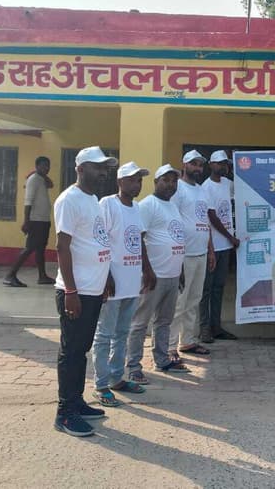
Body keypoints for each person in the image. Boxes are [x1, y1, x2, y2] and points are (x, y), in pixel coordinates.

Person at [53, 146, 117, 437]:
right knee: (71, 351)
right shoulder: (69, 200)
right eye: (97, 167)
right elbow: (62, 246)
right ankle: (65, 413)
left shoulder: (93, 200)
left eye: (105, 167)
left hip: (93, 289)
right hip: (76, 291)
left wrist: (106, 277)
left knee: (82, 349)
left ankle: (77, 402)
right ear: (80, 169)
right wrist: (71, 290)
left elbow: (97, 240)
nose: (103, 172)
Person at [91, 162, 156, 407]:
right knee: (104, 335)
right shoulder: (107, 204)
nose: (137, 184)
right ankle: (101, 385)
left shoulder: (137, 208)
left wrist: (147, 269)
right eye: (132, 180)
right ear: (120, 182)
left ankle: (117, 378)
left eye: (139, 180)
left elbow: (139, 241)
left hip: (131, 282)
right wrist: (105, 274)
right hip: (113, 283)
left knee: (122, 333)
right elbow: (99, 241)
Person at [127, 164, 190, 381]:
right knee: (140, 323)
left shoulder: (172, 206)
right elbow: (138, 239)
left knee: (164, 321)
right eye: (166, 180)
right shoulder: (148, 205)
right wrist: (147, 270)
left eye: (174, 181)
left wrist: (180, 270)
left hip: (172, 275)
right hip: (154, 276)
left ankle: (162, 360)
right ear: (156, 182)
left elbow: (177, 238)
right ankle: (133, 366)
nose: (171, 185)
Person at [170, 150, 216, 357]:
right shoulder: (177, 188)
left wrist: (211, 250)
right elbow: (171, 221)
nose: (197, 168)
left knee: (194, 300)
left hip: (200, 253)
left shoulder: (202, 190)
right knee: (179, 302)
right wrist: (176, 254)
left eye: (200, 164)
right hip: (184, 254)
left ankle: (187, 341)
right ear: (184, 164)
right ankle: (170, 347)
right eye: (193, 164)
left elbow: (205, 221)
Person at [200, 150, 239, 343]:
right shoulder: (206, 188)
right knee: (206, 289)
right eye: (219, 163)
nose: (223, 166)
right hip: (212, 246)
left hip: (225, 246)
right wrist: (230, 237)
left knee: (219, 287)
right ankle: (204, 328)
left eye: (225, 163)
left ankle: (216, 326)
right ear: (211, 165)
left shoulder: (227, 184)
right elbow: (212, 217)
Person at [4, 156, 55, 287]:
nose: (46, 168)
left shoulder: (41, 179)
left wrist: (43, 174)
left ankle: (42, 276)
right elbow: (28, 201)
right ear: (37, 166)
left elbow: (51, 184)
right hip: (35, 220)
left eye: (48, 166)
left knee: (40, 249)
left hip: (43, 220)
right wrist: (26, 221)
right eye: (43, 165)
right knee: (29, 248)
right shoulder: (33, 179)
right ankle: (10, 275)